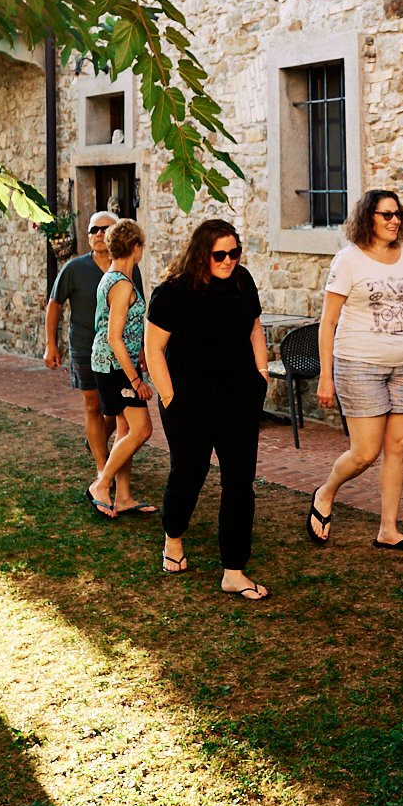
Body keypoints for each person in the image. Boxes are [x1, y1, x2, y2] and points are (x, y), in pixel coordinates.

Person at [307, 189, 403, 553]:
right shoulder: (348, 260)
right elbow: (328, 321)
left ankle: (388, 530)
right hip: (359, 363)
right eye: (385, 215)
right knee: (365, 452)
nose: (394, 221)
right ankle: (326, 491)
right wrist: (326, 375)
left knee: (399, 447)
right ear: (368, 219)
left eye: (397, 214)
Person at [145, 219, 273, 601]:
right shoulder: (173, 292)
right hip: (188, 401)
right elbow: (153, 350)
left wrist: (261, 374)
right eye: (220, 254)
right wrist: (170, 398)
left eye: (235, 253)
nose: (229, 260)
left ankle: (233, 570)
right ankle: (173, 540)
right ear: (202, 253)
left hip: (238, 398)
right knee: (189, 472)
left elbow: (254, 327)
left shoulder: (241, 281)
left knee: (239, 482)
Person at [86, 220, 156, 518]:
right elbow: (115, 337)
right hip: (115, 367)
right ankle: (101, 485)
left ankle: (124, 497)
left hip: (111, 363)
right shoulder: (122, 284)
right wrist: (135, 379)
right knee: (142, 430)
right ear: (136, 247)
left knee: (125, 429)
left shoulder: (113, 277)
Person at [44, 211, 119, 482]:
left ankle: (96, 438)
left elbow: (139, 308)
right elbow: (54, 305)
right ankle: (102, 467)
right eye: (93, 229)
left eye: (105, 229)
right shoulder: (74, 268)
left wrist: (143, 350)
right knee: (92, 406)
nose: (99, 234)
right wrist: (51, 344)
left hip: (119, 350)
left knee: (117, 407)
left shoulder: (127, 267)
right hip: (85, 346)